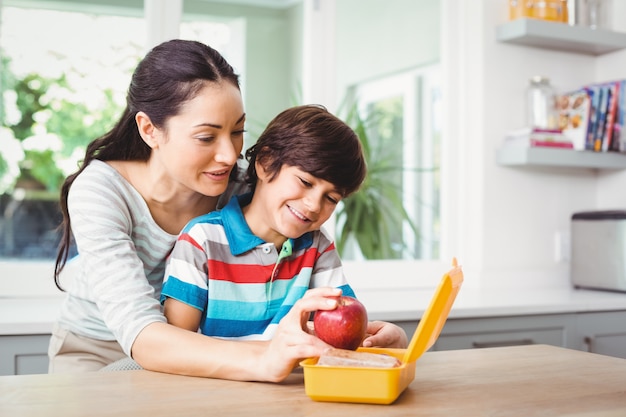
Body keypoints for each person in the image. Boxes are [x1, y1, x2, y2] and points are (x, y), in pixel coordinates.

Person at [160, 105, 408, 371]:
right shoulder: (202, 241)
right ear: (265, 163)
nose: (314, 205)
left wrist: (393, 340)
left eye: (331, 198)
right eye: (305, 182)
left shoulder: (317, 247)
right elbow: (177, 349)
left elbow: (343, 337)